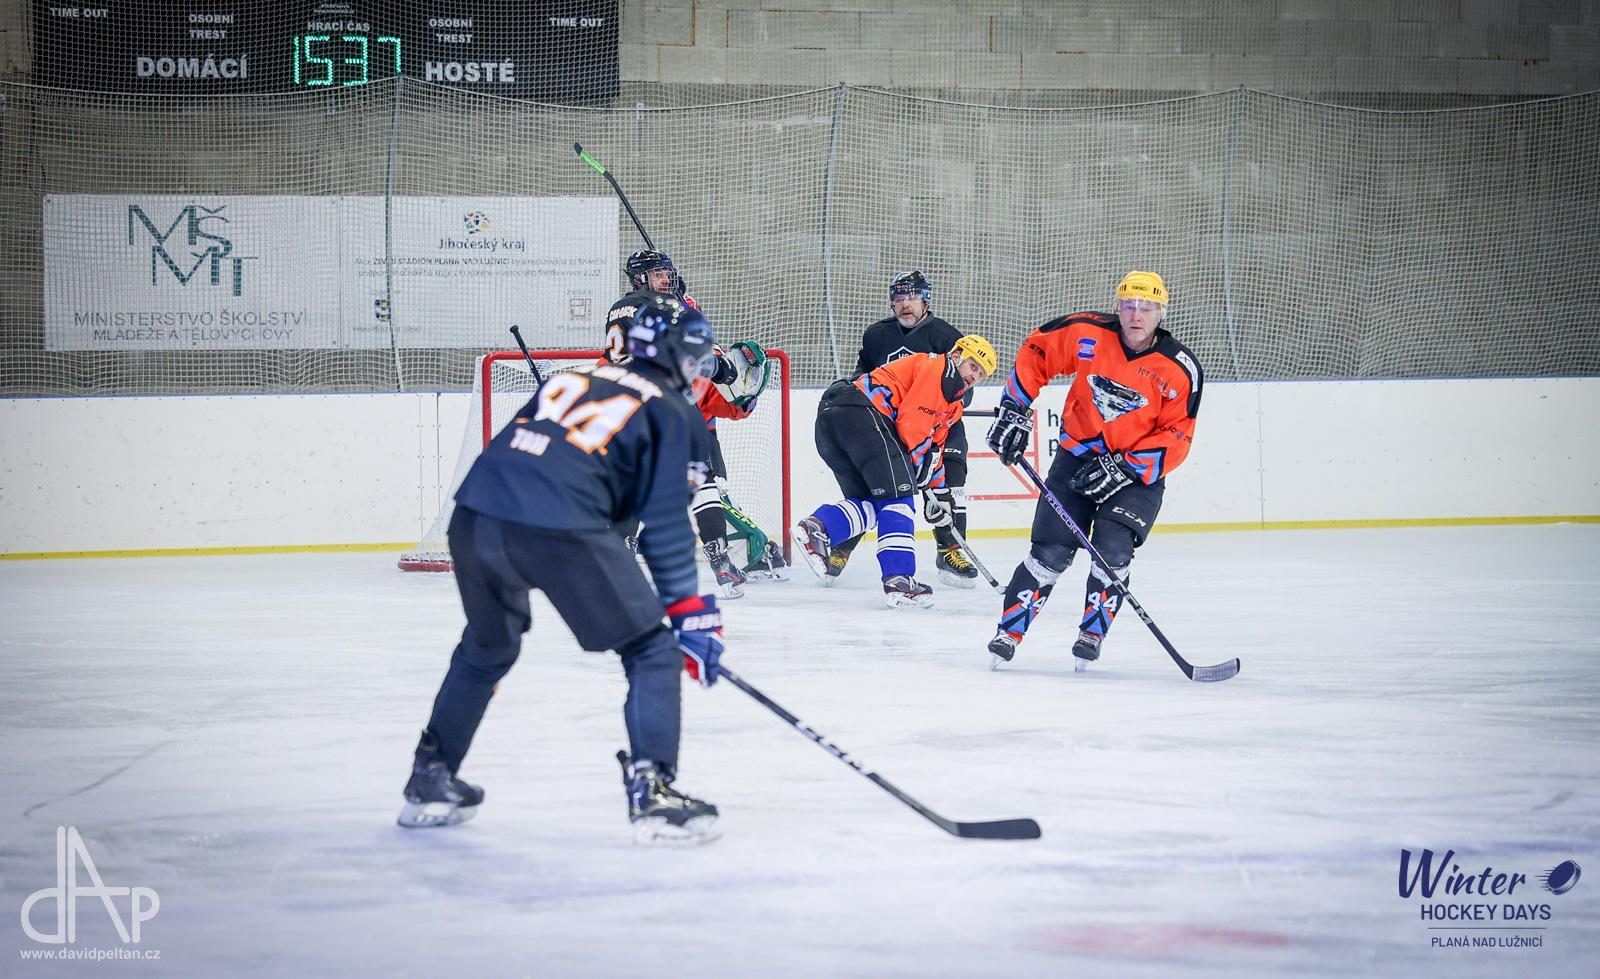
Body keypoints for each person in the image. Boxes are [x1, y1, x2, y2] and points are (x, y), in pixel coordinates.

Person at [398, 295, 726, 845]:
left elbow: (528, 453)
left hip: (475, 515)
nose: (698, 373)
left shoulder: (570, 378)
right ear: (676, 356)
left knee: (488, 646)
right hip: (560, 525)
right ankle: (653, 793)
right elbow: (666, 525)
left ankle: (429, 777)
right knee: (652, 651)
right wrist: (690, 613)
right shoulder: (676, 410)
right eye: (696, 360)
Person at [984, 270, 1202, 671]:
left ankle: (1091, 634)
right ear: (1117, 307)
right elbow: (1037, 351)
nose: (1136, 315)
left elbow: (1178, 434)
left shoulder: (1179, 368)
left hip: (1134, 475)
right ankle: (1009, 633)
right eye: (1129, 305)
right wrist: (1015, 405)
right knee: (1050, 550)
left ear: (1161, 314)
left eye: (1147, 307)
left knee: (1112, 550)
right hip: (1077, 457)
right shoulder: (1088, 332)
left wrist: (1127, 466)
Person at [604, 249, 786, 599]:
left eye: (667, 272)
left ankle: (618, 560)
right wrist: (721, 366)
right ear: (640, 278)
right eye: (658, 273)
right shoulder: (665, 307)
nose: (665, 278)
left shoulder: (619, 308)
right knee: (704, 482)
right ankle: (721, 561)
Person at [791, 334, 998, 608]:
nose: (974, 376)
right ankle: (899, 580)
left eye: (981, 374)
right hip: (860, 412)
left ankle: (819, 528)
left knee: (877, 504)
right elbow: (912, 427)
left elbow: (933, 450)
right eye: (973, 366)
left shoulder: (953, 405)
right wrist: (921, 475)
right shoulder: (939, 370)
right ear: (957, 355)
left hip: (835, 420)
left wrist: (941, 496)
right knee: (899, 498)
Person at [823, 271, 981, 589]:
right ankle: (841, 546)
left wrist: (935, 413)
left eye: (912, 297)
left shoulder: (946, 336)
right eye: (898, 298)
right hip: (890, 422)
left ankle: (950, 549)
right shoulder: (876, 335)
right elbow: (864, 374)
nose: (905, 304)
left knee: (951, 480)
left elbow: (964, 388)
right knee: (876, 484)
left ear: (926, 300)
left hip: (940, 422)